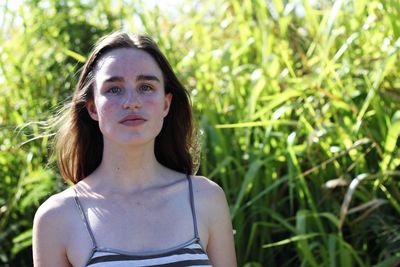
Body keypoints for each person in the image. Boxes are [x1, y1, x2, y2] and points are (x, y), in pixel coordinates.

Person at [32, 31, 237, 267]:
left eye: (146, 87)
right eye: (114, 89)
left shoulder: (205, 198)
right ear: (92, 108)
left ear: (166, 104)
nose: (132, 102)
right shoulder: (57, 217)